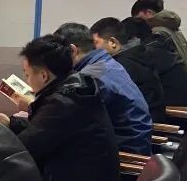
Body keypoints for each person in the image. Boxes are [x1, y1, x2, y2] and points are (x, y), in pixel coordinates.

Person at [0, 36, 121, 181]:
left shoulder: (63, 103)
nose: (26, 79)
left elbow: (24, 150)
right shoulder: (75, 86)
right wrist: (11, 123)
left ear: (44, 75)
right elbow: (45, 131)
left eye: (27, 74)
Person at [54, 22, 153, 155]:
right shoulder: (106, 63)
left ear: (73, 50)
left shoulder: (90, 75)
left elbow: (69, 121)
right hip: (135, 142)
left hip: (124, 152)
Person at [90, 16, 166, 121]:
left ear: (112, 42)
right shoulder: (140, 55)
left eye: (95, 42)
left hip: (139, 124)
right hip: (152, 120)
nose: (93, 48)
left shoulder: (119, 66)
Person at [131, 0, 187, 74]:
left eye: (138, 18)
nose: (137, 23)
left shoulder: (157, 34)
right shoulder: (175, 31)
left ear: (148, 13)